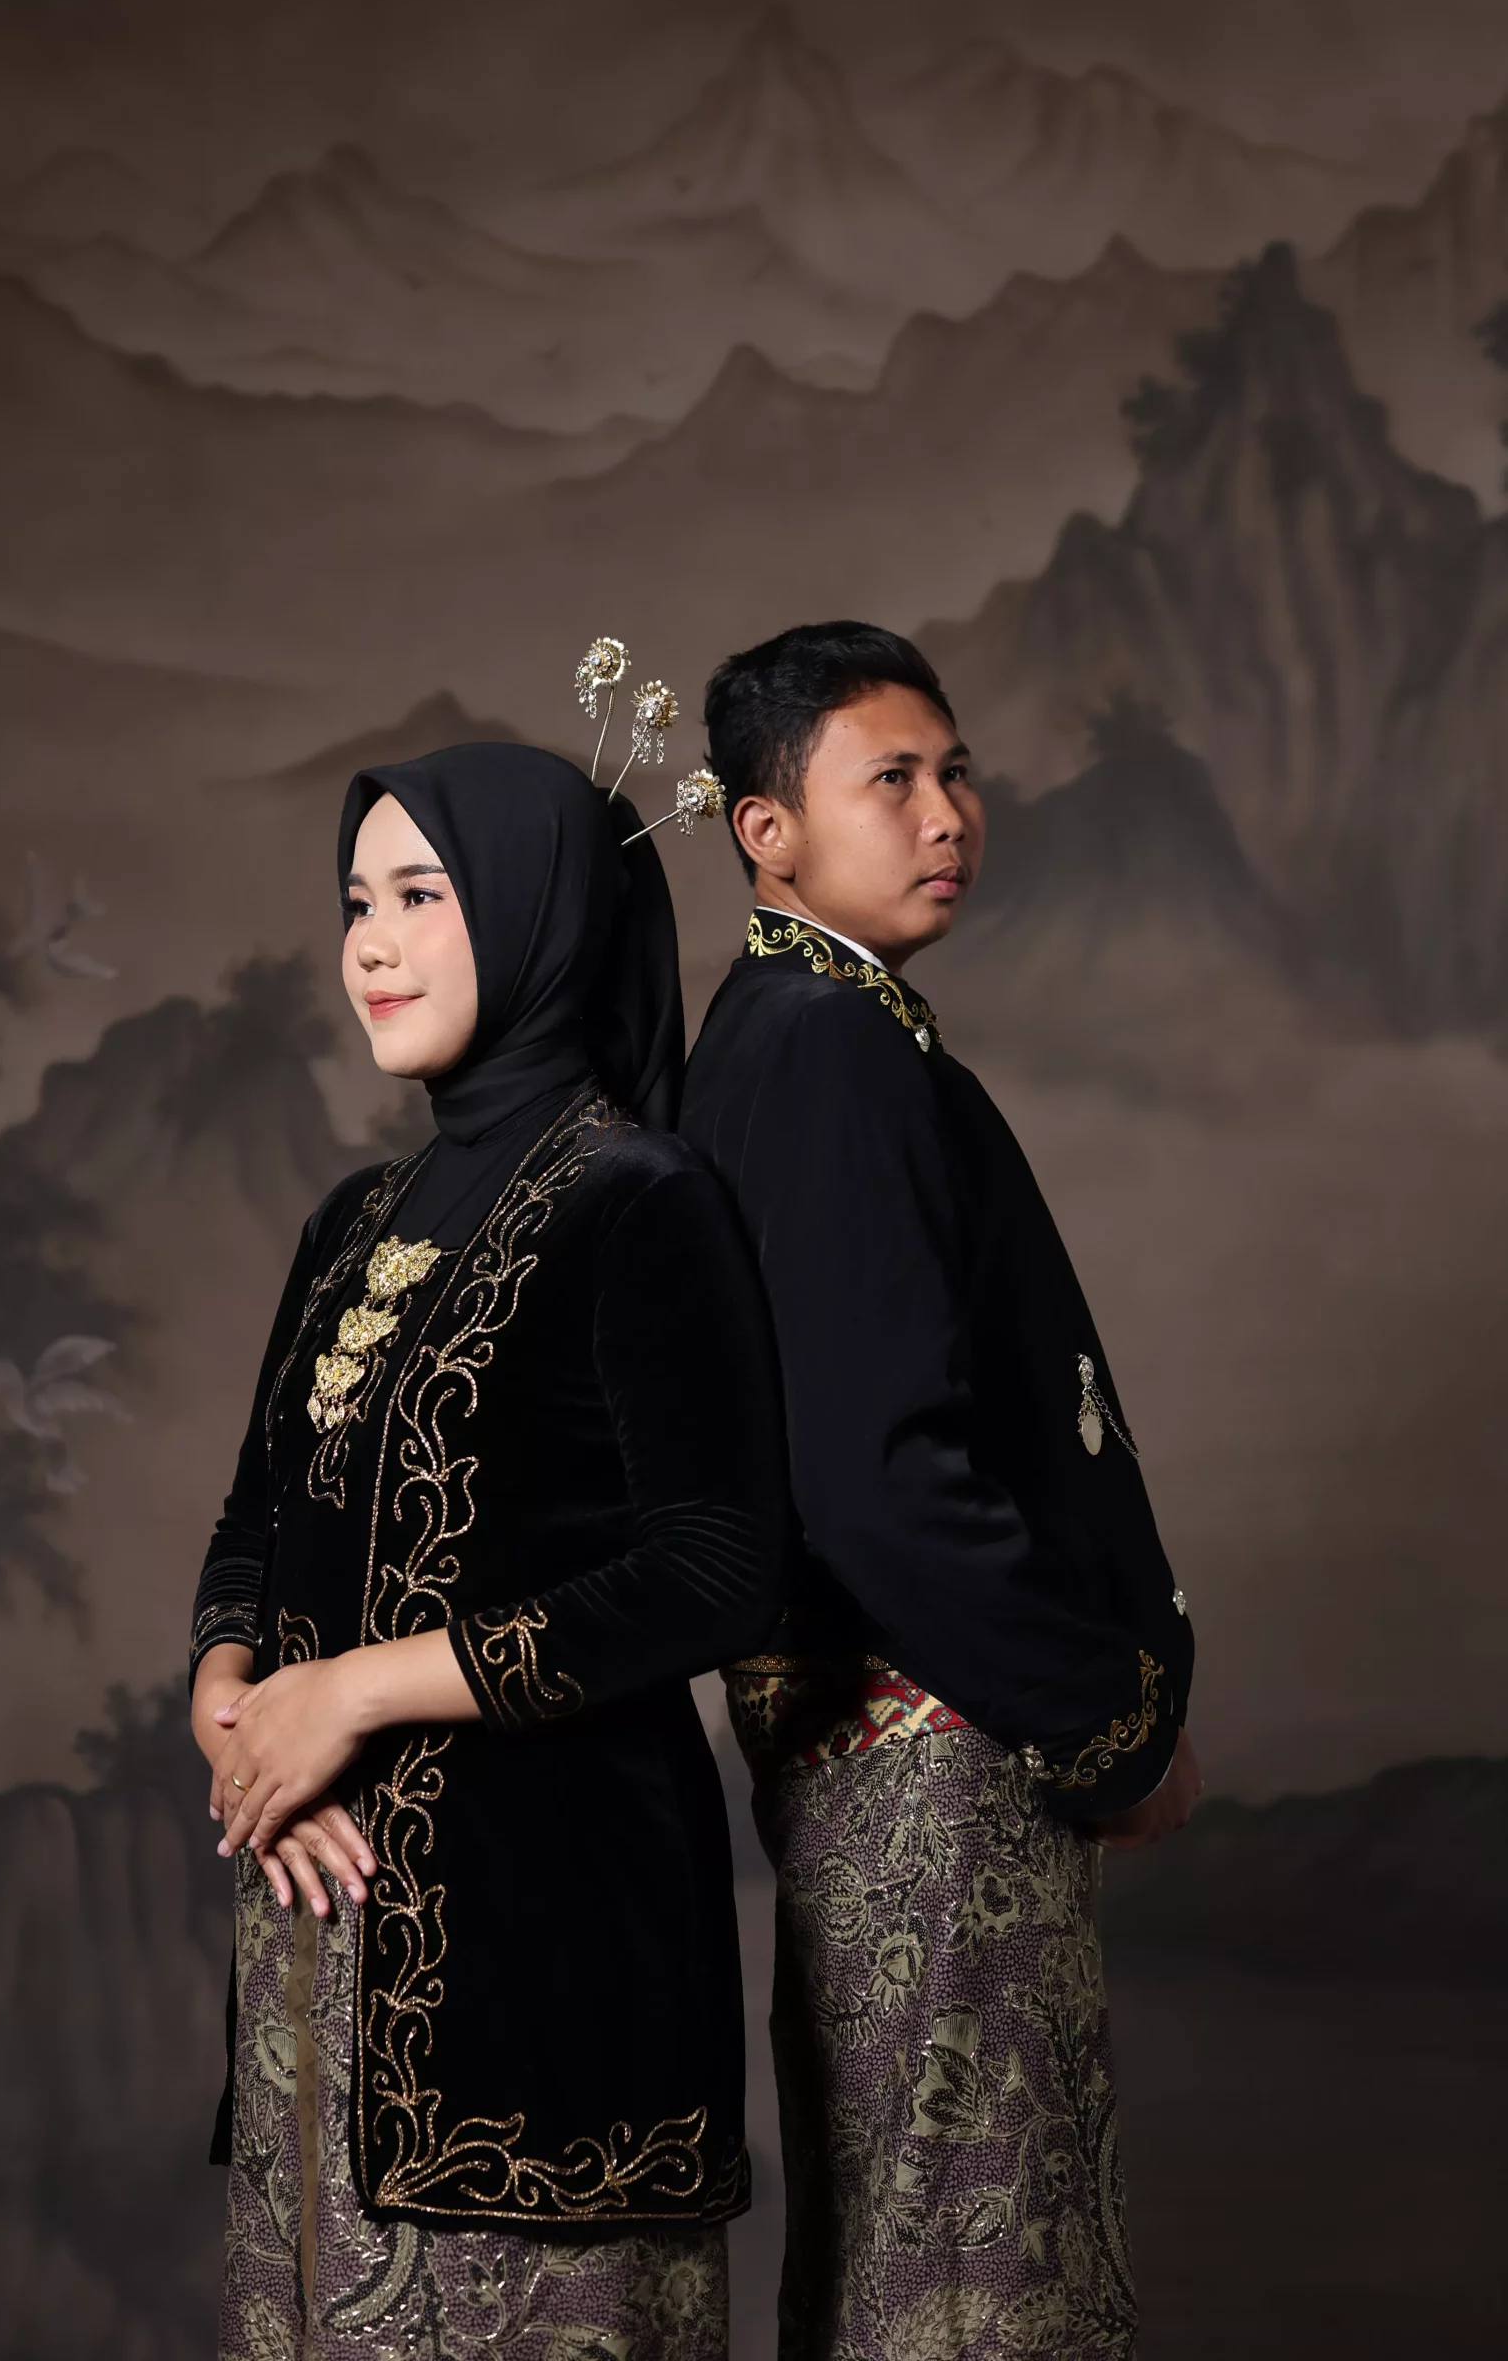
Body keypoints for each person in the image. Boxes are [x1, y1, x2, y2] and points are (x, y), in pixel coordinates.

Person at [189, 741, 788, 2361]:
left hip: (545, 1954)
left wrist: (354, 1693)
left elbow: (721, 1567)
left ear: (541, 914)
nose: (369, 945)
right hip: (313, 1946)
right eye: (354, 904)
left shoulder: (640, 1200)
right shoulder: (349, 1222)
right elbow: (256, 1518)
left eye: (418, 897)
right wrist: (232, 1702)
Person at [679, 624, 1200, 2361]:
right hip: (935, 1748)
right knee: (976, 2288)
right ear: (765, 832)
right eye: (888, 779)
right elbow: (875, 1477)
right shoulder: (827, 1041)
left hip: (894, 1752)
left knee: (914, 2255)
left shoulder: (790, 1027)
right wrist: (1105, 1720)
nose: (945, 813)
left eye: (955, 771)